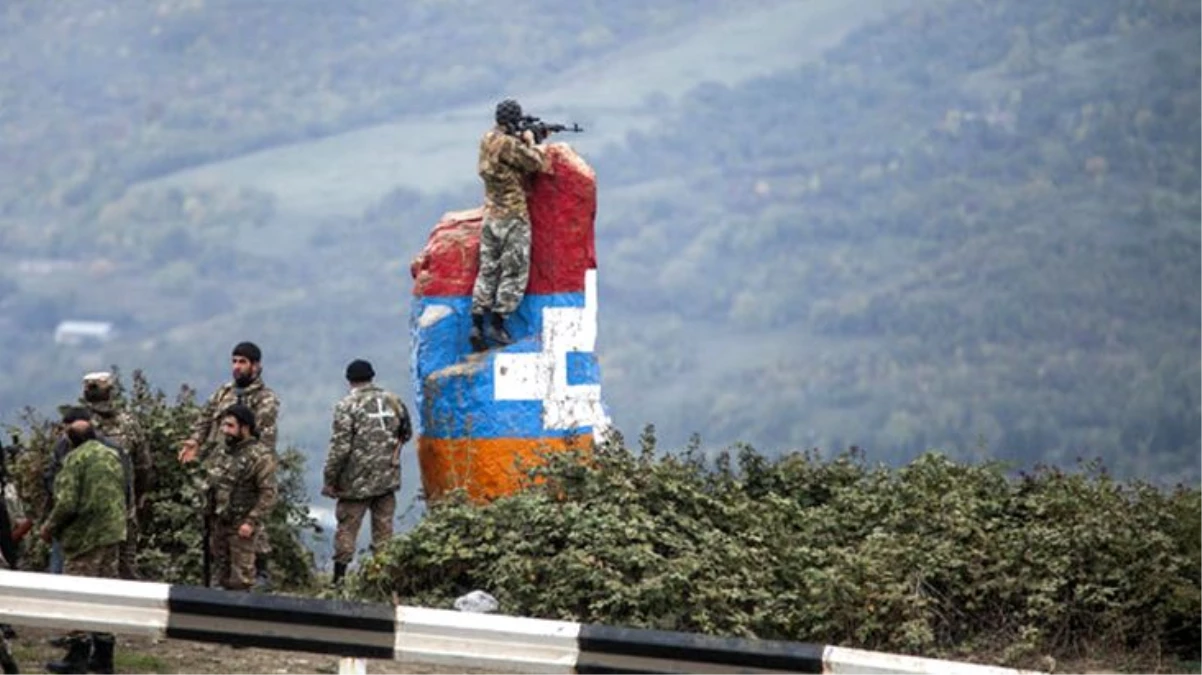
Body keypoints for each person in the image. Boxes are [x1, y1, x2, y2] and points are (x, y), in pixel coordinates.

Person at [179, 341, 280, 589]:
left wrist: (254, 464)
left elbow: (263, 439)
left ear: (256, 366)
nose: (237, 367)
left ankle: (258, 573)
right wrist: (195, 442)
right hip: (218, 466)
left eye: (242, 362)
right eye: (234, 361)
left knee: (249, 525)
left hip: (246, 470)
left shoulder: (265, 400)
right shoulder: (224, 392)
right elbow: (204, 419)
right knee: (217, 530)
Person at [40, 408, 127, 675]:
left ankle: (76, 657)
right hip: (112, 534)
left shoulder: (74, 461)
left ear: (71, 439)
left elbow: (66, 503)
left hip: (85, 538)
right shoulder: (112, 455)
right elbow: (125, 488)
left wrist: (49, 527)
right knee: (105, 595)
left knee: (75, 596)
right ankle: (104, 658)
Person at [469, 97, 553, 352]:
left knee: (488, 270)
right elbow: (538, 164)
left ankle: (476, 323)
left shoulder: (487, 139)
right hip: (512, 215)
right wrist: (530, 140)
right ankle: (498, 322)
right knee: (514, 271)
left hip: (491, 216)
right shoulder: (508, 144)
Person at [321, 360, 411, 586]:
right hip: (387, 480)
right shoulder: (394, 401)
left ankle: (339, 582)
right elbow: (406, 433)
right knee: (384, 533)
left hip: (354, 484)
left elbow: (340, 448)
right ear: (372, 376)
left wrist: (330, 480)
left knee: (347, 531)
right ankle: (382, 582)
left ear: (349, 380)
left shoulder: (347, 405)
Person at [43, 373, 141, 578]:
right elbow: (138, 472)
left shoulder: (71, 438)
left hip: (82, 529)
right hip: (114, 524)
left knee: (73, 584)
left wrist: (51, 525)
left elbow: (62, 494)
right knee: (114, 579)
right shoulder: (115, 441)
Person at [204, 404, 277, 592]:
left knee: (240, 580)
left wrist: (251, 521)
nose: (224, 430)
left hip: (242, 527)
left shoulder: (260, 456)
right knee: (217, 577)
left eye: (230, 426)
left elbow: (268, 493)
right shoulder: (222, 452)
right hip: (219, 524)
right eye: (223, 425)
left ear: (244, 428)